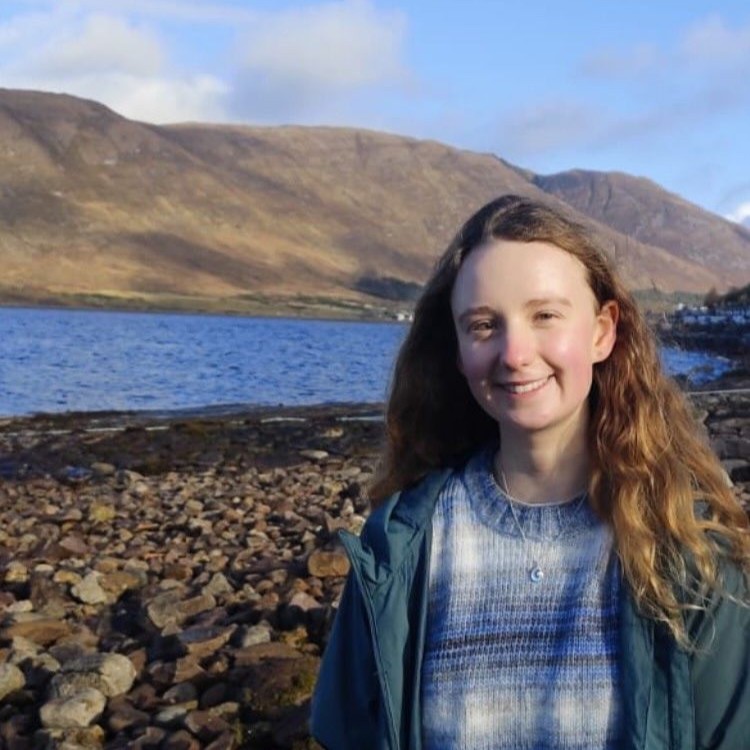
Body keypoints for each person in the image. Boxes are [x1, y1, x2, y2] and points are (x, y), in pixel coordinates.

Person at [310, 195, 750, 749]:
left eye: (545, 315)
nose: (515, 353)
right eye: (484, 324)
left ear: (601, 331)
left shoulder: (691, 548)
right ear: (457, 349)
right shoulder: (401, 549)